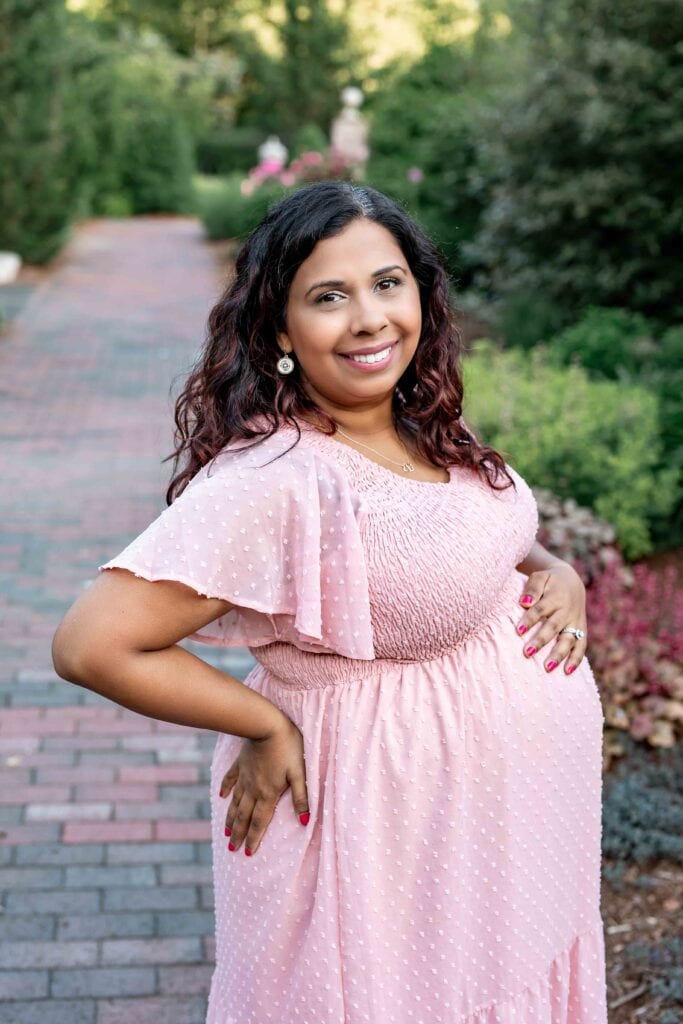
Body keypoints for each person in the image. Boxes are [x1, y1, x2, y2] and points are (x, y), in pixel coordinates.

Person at [52, 181, 608, 1023]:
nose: (369, 319)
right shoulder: (279, 477)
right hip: (386, 846)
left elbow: (455, 536)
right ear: (280, 328)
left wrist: (550, 566)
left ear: (420, 291)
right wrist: (263, 723)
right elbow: (91, 644)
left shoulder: (416, 417)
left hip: (503, 848)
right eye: (328, 297)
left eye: (387, 284)